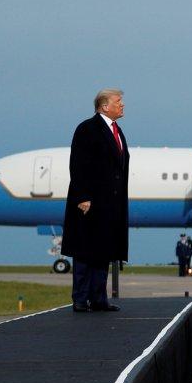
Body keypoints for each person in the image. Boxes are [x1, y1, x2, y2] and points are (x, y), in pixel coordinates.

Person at [61, 88, 128, 313]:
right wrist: (82, 196)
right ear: (104, 106)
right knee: (85, 251)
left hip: (111, 206)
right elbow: (78, 164)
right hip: (91, 203)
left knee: (104, 253)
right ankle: (80, 299)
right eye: (119, 101)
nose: (123, 105)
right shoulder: (87, 129)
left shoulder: (117, 131)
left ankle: (99, 299)